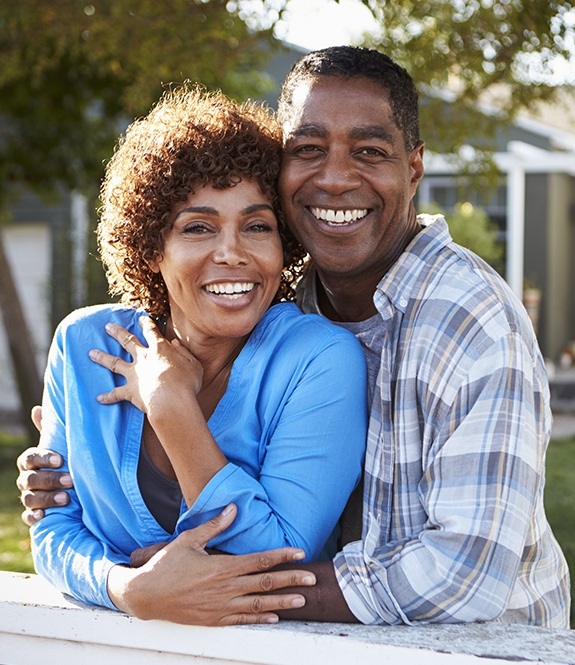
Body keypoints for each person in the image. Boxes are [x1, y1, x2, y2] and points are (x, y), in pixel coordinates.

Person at [18, 46, 570, 628]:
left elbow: (467, 575)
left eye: (369, 151)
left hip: (487, 647)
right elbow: (58, 522)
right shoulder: (294, 298)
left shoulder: (471, 323)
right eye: (307, 150)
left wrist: (208, 586)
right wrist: (127, 585)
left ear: (413, 169)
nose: (333, 178)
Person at [23, 82, 369, 623]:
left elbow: (278, 558)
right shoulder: (84, 345)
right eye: (198, 227)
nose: (232, 253)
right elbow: (52, 528)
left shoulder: (318, 359)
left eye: (257, 226)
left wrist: (170, 405)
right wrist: (127, 587)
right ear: (150, 246)